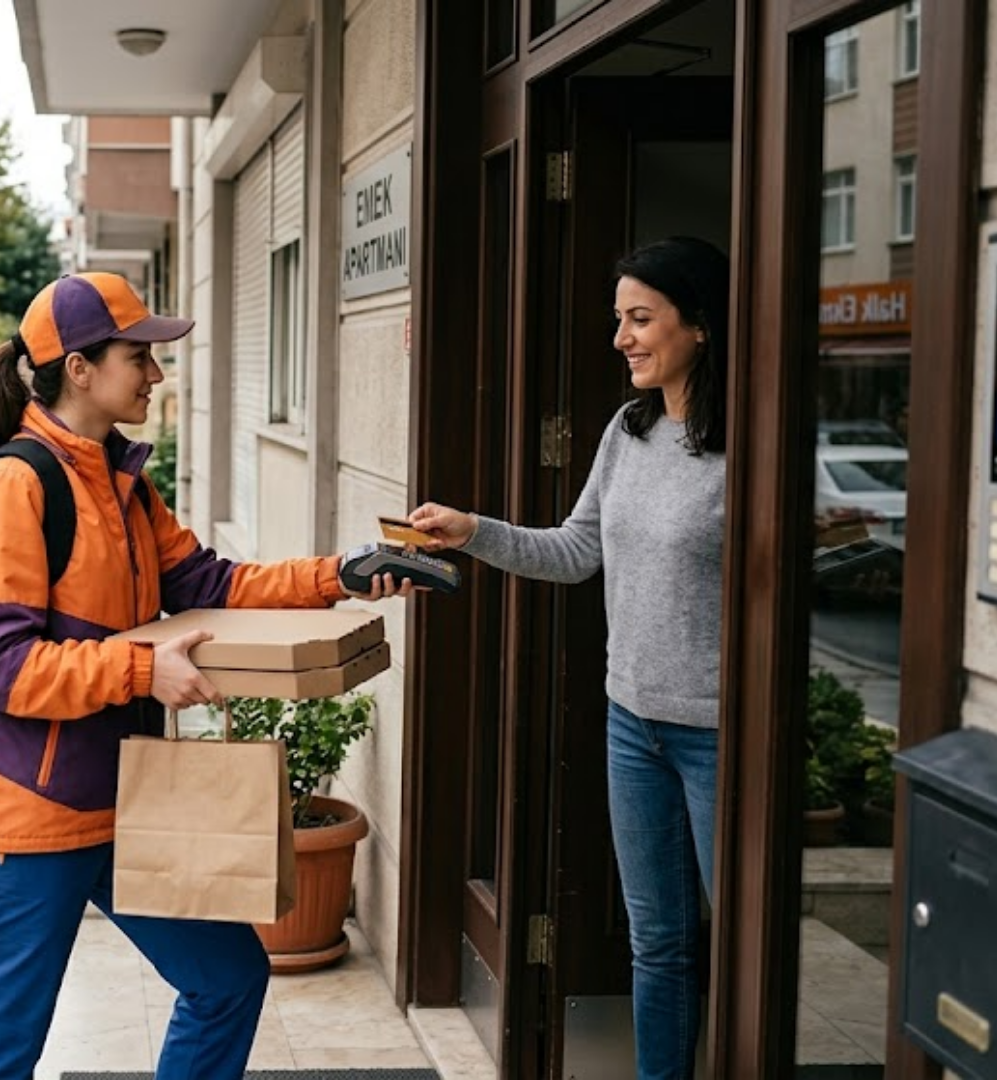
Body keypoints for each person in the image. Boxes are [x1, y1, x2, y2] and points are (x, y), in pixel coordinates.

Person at [0, 271, 412, 1080]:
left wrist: (342, 573)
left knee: (227, 980)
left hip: (123, 802)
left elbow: (212, 583)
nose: (157, 374)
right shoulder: (16, 486)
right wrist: (140, 669)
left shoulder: (122, 483)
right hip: (30, 819)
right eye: (140, 356)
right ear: (78, 369)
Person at [407, 237, 729, 1080]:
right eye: (618, 319)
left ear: (698, 324)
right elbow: (577, 550)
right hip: (635, 725)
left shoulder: (749, 450)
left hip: (720, 733)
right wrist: (473, 531)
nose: (621, 336)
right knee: (658, 941)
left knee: (742, 942)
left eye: (640, 318)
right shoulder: (630, 429)